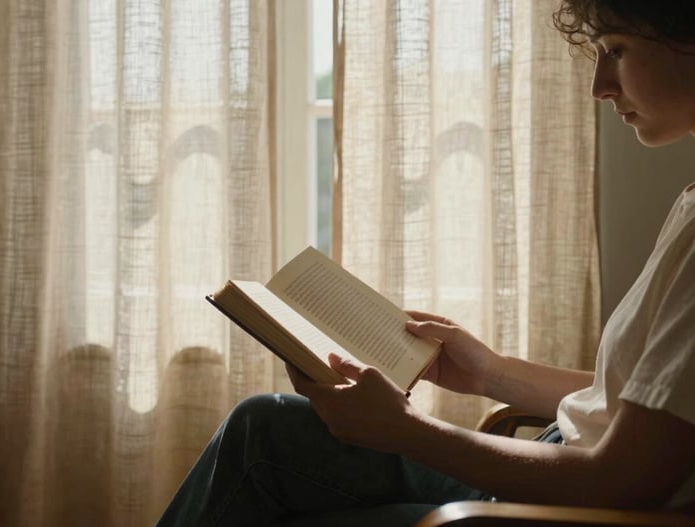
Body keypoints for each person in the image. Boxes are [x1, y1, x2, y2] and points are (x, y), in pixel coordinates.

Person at [156, 1, 695, 525]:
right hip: (555, 470)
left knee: (273, 469)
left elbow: (618, 481)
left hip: (561, 507)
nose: (600, 85)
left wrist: (407, 429)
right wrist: (492, 372)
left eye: (617, 50)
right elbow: (640, 410)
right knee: (262, 428)